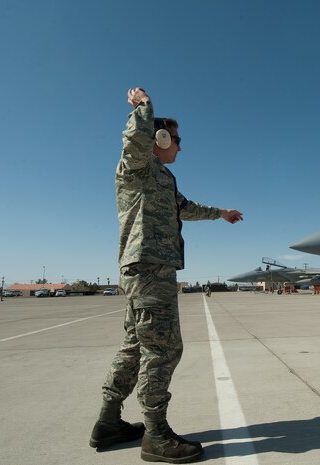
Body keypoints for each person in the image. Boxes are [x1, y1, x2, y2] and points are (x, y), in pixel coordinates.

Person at [89, 87, 243, 463]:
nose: (179, 146)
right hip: (148, 267)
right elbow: (135, 139)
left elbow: (186, 208)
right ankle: (156, 435)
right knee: (164, 349)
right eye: (176, 139)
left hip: (148, 269)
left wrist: (221, 212)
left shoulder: (163, 178)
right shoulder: (137, 166)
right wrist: (144, 107)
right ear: (158, 138)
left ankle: (108, 423)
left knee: (136, 347)